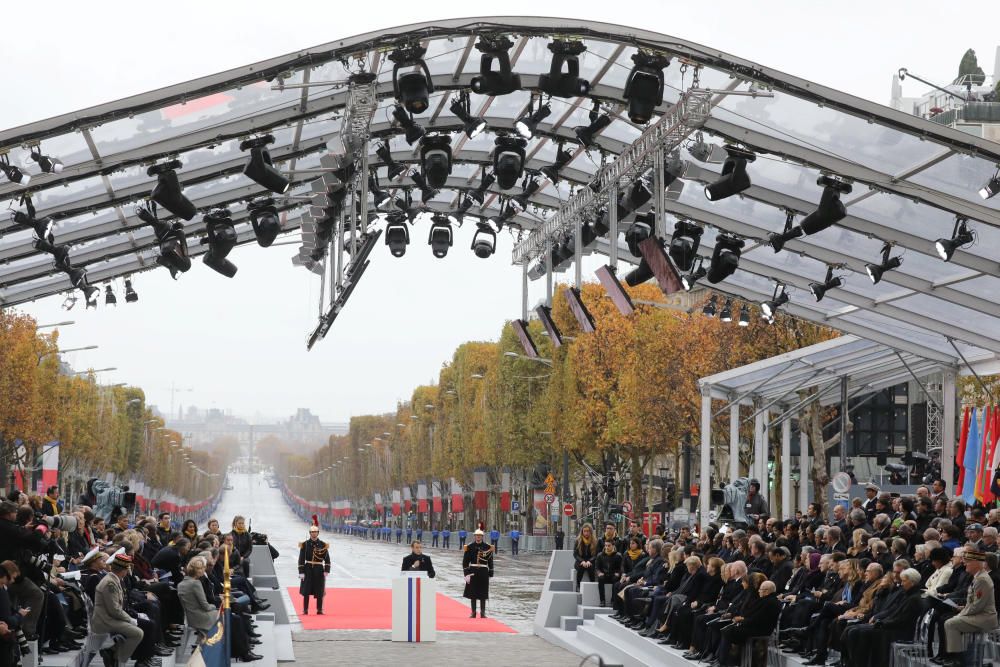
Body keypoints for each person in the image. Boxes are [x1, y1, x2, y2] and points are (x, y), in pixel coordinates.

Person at [941, 548, 999, 666]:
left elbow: (977, 606)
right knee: (949, 620)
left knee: (951, 623)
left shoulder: (982, 579)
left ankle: (957, 659)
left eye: (968, 561)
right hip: (979, 614)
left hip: (985, 617)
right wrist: (963, 608)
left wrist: (961, 614)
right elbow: (974, 603)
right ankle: (958, 657)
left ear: (976, 563)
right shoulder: (978, 577)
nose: (964, 563)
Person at [91, 554, 145, 667]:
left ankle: (113, 652)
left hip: (109, 618)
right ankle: (119, 660)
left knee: (138, 628)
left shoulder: (114, 580)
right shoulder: (110, 583)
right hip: (104, 621)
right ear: (123, 570)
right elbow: (114, 610)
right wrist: (129, 619)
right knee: (138, 633)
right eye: (128, 568)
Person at [297, 521, 330, 615]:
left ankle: (319, 609)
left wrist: (326, 570)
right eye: (312, 532)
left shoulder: (323, 545)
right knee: (306, 590)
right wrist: (301, 572)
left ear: (318, 533)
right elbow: (301, 559)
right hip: (308, 569)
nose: (313, 534)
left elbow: (327, 559)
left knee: (319, 590)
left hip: (319, 569)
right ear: (309, 533)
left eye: (315, 532)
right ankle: (305, 609)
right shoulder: (305, 544)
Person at [462, 529, 494, 618]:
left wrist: (491, 571)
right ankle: (473, 612)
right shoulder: (469, 547)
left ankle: (483, 613)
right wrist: (466, 573)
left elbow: (490, 561)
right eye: (477, 535)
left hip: (483, 572)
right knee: (473, 592)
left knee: (483, 592)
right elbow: (465, 562)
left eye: (480, 535)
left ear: (482, 537)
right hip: (473, 571)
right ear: (474, 536)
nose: (478, 537)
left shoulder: (488, 547)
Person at [594, 540, 623, 607]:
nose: (607, 547)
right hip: (604, 574)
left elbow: (621, 567)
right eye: (606, 545)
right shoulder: (600, 555)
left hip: (613, 574)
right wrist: (599, 573)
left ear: (613, 546)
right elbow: (596, 567)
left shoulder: (618, 555)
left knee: (616, 580)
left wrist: (618, 573)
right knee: (600, 579)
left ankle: (613, 600)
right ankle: (602, 601)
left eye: (609, 545)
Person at [574, 523, 598, 591]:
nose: (586, 533)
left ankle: (592, 585)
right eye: (585, 531)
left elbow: (596, 554)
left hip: (591, 561)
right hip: (580, 561)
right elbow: (575, 554)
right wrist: (582, 561)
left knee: (590, 567)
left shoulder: (595, 541)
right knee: (581, 566)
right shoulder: (578, 541)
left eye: (588, 531)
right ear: (582, 532)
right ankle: (578, 585)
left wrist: (589, 561)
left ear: (591, 531)